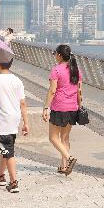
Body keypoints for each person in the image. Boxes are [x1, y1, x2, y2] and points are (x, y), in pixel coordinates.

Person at [0, 59, 29, 192]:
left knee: (8, 152)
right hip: (15, 118)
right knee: (6, 147)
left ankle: (13, 182)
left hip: (3, 119)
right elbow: (22, 103)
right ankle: (0, 175)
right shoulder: (17, 80)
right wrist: (26, 123)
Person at [42, 44, 80, 175]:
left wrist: (46, 107)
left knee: (53, 137)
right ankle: (63, 166)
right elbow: (79, 91)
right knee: (65, 138)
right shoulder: (76, 70)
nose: (54, 56)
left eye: (55, 54)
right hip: (72, 107)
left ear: (59, 55)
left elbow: (52, 91)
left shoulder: (56, 70)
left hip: (59, 107)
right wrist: (79, 106)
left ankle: (69, 159)